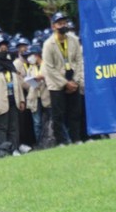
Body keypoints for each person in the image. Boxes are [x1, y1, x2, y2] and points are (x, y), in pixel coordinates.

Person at [43, 11, 84, 145]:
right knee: (58, 114)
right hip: (56, 82)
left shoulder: (73, 39)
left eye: (65, 22)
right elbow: (49, 68)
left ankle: (76, 138)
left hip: (72, 76)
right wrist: (65, 83)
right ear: (53, 26)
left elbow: (78, 60)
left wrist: (75, 80)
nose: (63, 25)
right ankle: (61, 141)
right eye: (60, 23)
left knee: (75, 111)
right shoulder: (48, 44)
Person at [0, 36, 26, 156]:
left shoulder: (11, 65)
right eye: (1, 49)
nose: (4, 51)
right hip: (0, 101)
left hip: (13, 99)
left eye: (5, 48)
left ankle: (14, 148)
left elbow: (17, 84)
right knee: (2, 127)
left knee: (14, 126)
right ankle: (3, 150)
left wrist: (22, 100)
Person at [24, 45, 53, 148]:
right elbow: (28, 83)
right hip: (35, 97)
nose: (30, 58)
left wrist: (43, 78)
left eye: (31, 55)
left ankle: (51, 141)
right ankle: (40, 143)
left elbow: (51, 77)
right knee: (37, 122)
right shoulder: (31, 68)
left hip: (46, 95)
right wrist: (32, 80)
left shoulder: (46, 65)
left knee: (50, 120)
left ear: (36, 55)